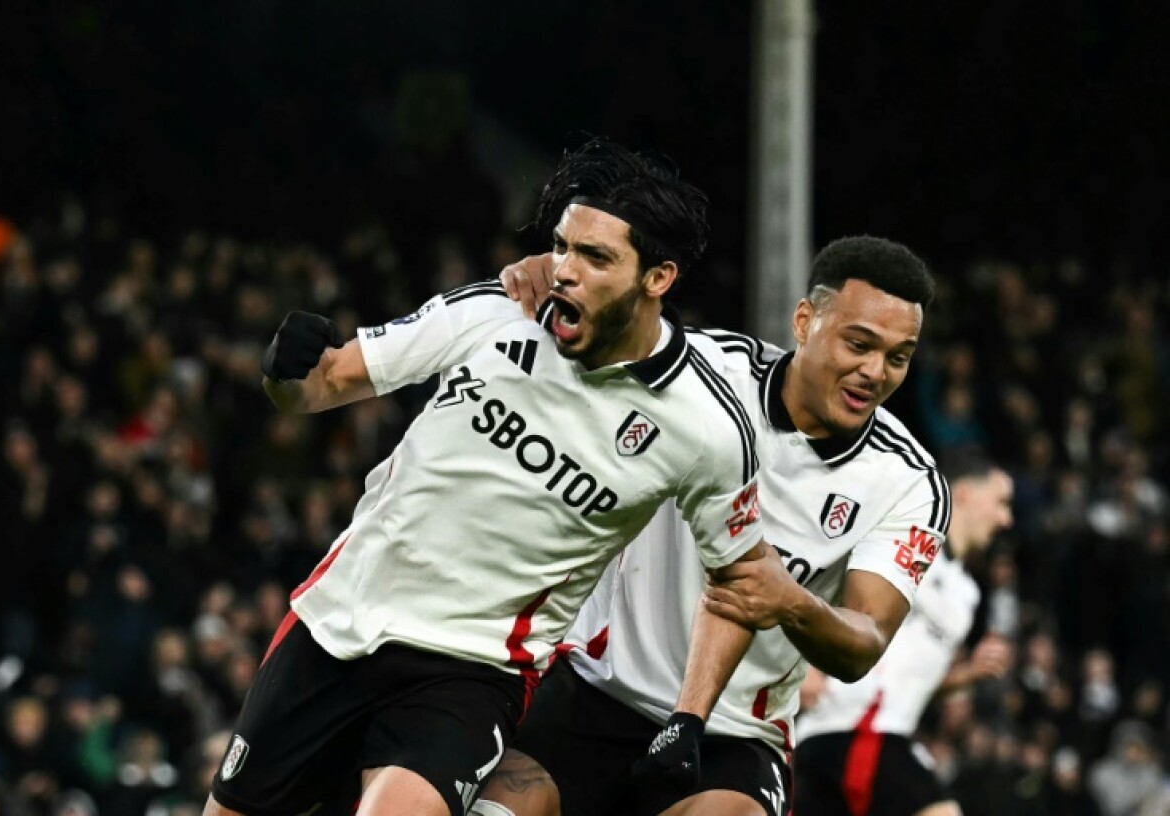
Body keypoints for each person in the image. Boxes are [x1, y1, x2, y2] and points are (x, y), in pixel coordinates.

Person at [203, 137, 769, 816]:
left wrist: (691, 714)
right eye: (562, 246)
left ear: (659, 278)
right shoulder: (495, 315)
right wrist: (284, 371)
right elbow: (324, 383)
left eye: (596, 258)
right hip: (336, 622)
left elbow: (740, 575)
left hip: (470, 668)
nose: (565, 271)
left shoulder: (704, 427)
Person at [478, 235, 947, 816]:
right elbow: (592, 327)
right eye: (859, 344)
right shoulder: (700, 368)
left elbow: (864, 644)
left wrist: (792, 604)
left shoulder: (908, 483)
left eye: (898, 357)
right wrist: (552, 280)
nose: (874, 372)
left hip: (734, 738)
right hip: (597, 687)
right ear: (804, 321)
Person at [794, 451, 1014, 816]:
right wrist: (803, 667)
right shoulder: (901, 544)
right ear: (964, 494)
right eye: (1001, 503)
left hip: (880, 735)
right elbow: (817, 586)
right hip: (849, 730)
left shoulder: (967, 595)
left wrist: (967, 675)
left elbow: (912, 681)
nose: (1007, 519)